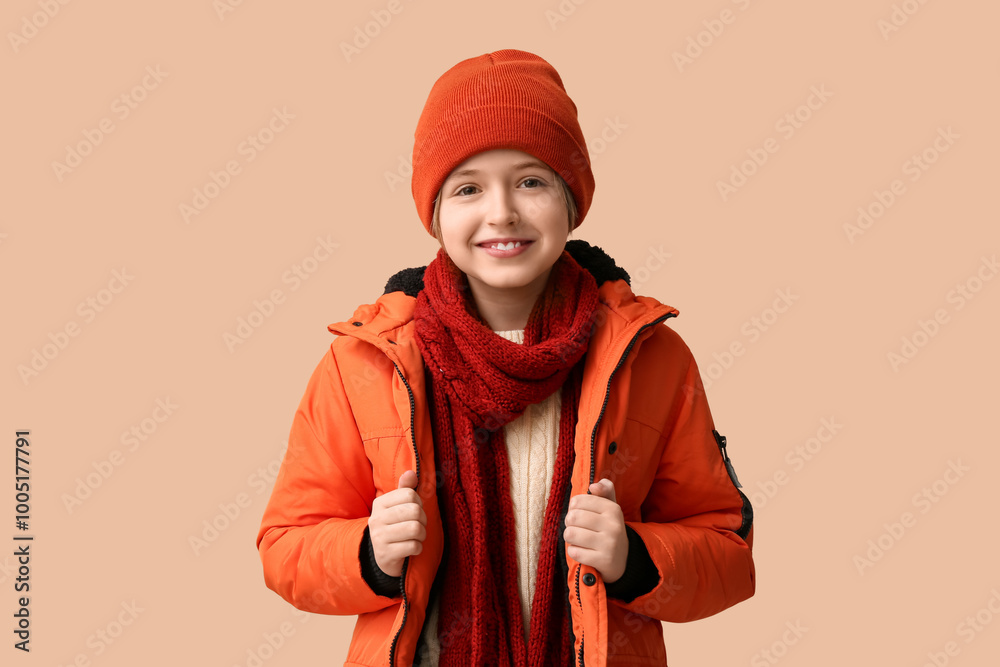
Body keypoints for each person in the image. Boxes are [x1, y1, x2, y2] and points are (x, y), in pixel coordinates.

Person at [256, 48, 755, 667]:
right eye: (468, 188)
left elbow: (728, 553)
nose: (502, 213)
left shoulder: (650, 357)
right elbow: (285, 548)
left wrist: (634, 558)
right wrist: (369, 554)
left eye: (530, 181)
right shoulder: (364, 362)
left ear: (571, 200)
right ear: (435, 215)